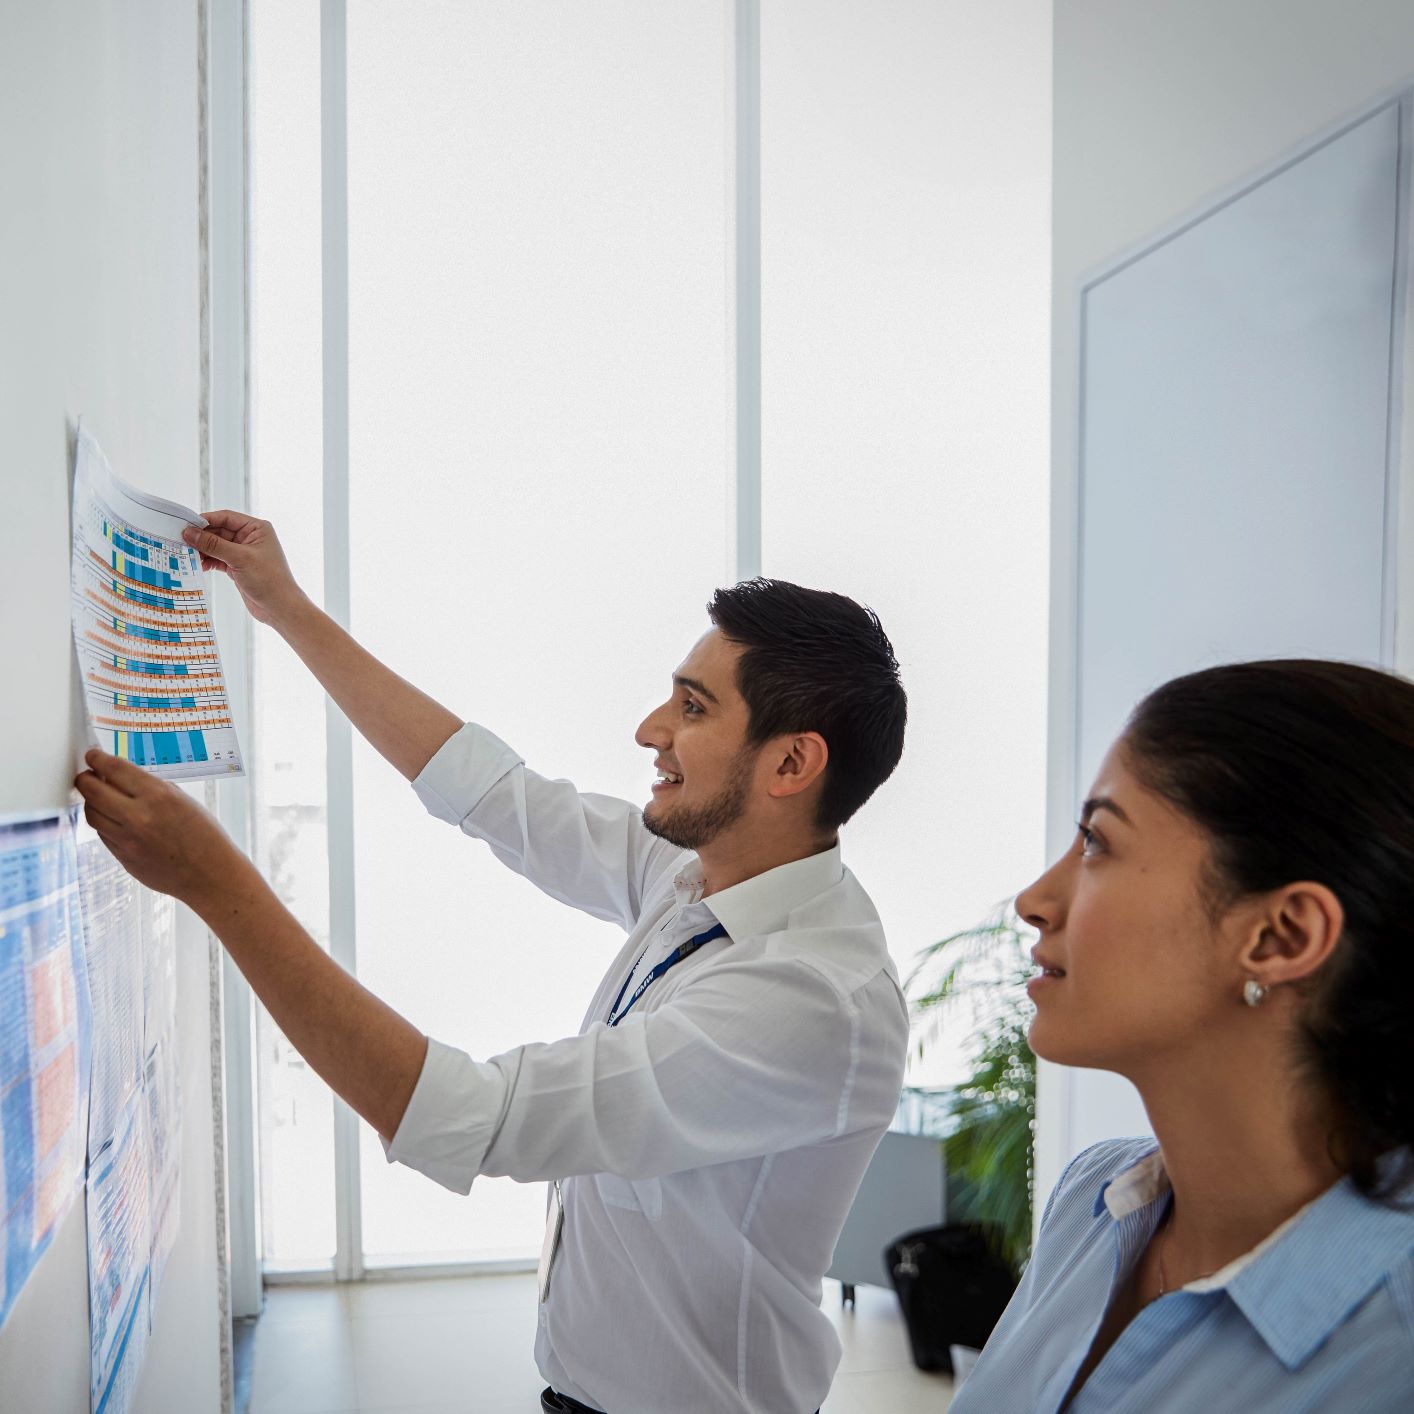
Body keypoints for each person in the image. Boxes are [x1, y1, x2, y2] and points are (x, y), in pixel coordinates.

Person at [74, 510, 911, 1414]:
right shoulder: (701, 872)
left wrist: (218, 887)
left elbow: (470, 1116)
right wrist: (284, 608)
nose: (649, 728)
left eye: (693, 707)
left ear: (790, 762)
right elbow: (496, 795)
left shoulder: (812, 999)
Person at [952, 660, 1414, 1413]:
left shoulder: (1394, 1358)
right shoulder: (1093, 1205)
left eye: (1097, 843)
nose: (1036, 900)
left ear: (1280, 935)